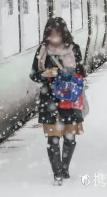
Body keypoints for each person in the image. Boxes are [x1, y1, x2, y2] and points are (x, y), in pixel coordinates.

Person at [30, 17, 85, 186]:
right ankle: (57, 173)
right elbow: (33, 74)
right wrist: (45, 74)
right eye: (50, 35)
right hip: (50, 100)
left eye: (57, 35)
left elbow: (82, 72)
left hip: (69, 99)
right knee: (53, 138)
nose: (54, 38)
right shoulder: (42, 50)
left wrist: (67, 75)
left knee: (70, 137)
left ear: (64, 34)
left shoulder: (74, 49)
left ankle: (65, 168)